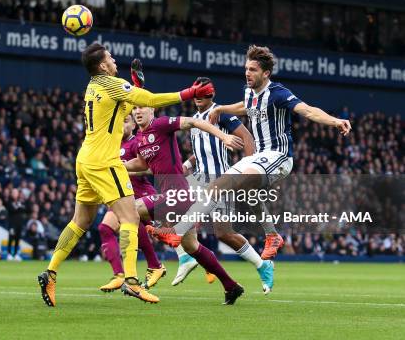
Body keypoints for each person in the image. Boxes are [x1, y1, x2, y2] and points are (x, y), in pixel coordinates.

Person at [151, 45, 351, 294]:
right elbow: (245, 106)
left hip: (279, 157)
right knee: (224, 189)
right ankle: (270, 237)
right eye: (246, 68)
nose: (247, 73)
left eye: (253, 70)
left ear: (266, 73)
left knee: (226, 187)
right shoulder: (249, 93)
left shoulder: (278, 94)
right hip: (259, 158)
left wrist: (335, 121)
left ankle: (177, 233)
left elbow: (308, 110)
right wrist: (223, 108)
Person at [37, 43, 213, 307]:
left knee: (80, 221)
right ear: (102, 65)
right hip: (105, 161)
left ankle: (50, 272)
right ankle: (131, 282)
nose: (114, 60)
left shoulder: (93, 86)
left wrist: (134, 86)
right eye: (110, 57)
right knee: (130, 216)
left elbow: (128, 101)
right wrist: (189, 93)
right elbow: (151, 101)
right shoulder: (110, 83)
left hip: (85, 158)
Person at [124, 104, 246, 305]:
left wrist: (223, 136)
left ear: (152, 111)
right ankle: (231, 286)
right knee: (191, 246)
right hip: (172, 197)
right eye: (135, 108)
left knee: (132, 209)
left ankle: (155, 261)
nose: (137, 112)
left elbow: (195, 121)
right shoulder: (139, 140)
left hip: (179, 194)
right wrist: (120, 167)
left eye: (142, 108)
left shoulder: (161, 125)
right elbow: (142, 165)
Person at [173, 77, 277, 292]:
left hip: (220, 180)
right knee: (173, 211)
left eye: (204, 95)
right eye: (197, 95)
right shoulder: (194, 118)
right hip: (198, 179)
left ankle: (262, 264)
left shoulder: (221, 114)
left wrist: (250, 170)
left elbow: (246, 136)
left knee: (223, 234)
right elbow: (202, 148)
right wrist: (188, 162)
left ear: (211, 95)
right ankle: (189, 259)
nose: (199, 99)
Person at [97, 113, 166, 292]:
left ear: (134, 126)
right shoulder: (111, 146)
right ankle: (119, 275)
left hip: (141, 194)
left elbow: (151, 168)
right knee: (105, 228)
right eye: (119, 122)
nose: (122, 125)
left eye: (126, 121)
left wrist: (125, 172)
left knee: (166, 234)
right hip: (121, 197)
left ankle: (202, 260)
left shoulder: (136, 143)